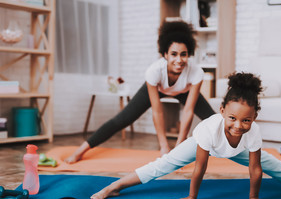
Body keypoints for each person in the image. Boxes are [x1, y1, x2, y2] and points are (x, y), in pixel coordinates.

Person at [90, 72, 281, 199]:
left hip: (236, 149)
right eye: (232, 118)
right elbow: (200, 168)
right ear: (221, 111)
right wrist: (192, 197)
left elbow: (256, 169)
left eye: (246, 120)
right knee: (162, 165)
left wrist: (254, 197)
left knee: (278, 167)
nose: (238, 125)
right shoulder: (209, 129)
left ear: (255, 117)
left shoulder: (252, 132)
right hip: (206, 144)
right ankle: (115, 186)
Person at [65, 20, 215, 163]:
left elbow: (188, 111)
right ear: (165, 55)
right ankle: (80, 151)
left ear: (188, 55)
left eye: (184, 54)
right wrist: (163, 146)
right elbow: (157, 112)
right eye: (174, 54)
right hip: (158, 88)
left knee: (215, 120)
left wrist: (179, 147)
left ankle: (237, 149)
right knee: (122, 119)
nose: (179, 59)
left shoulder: (196, 72)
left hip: (185, 91)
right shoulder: (154, 71)